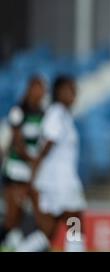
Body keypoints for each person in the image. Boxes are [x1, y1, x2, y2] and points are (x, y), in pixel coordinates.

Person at [16, 76, 87, 252]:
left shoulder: (61, 114)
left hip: (53, 182)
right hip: (61, 183)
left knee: (47, 232)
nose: (74, 94)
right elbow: (46, 146)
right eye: (70, 90)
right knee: (76, 225)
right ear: (59, 92)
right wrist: (32, 177)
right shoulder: (57, 113)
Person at [0, 76, 46, 249]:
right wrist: (32, 159)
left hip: (31, 171)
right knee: (12, 218)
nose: (41, 92)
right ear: (30, 90)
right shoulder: (18, 111)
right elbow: (17, 142)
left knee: (31, 214)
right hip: (16, 169)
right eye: (38, 88)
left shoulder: (43, 113)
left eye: (43, 88)